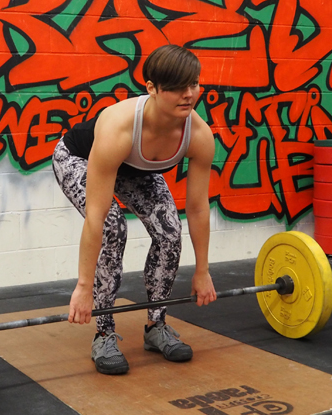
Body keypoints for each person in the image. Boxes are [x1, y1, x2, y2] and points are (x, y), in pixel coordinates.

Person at [52, 44, 218, 375]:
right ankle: (104, 333)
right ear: (152, 89)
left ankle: (156, 326)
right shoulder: (119, 126)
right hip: (79, 159)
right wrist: (84, 286)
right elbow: (96, 217)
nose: (188, 95)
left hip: (135, 169)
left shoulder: (198, 135)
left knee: (170, 231)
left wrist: (202, 270)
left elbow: (198, 209)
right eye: (175, 88)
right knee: (113, 226)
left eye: (194, 84)